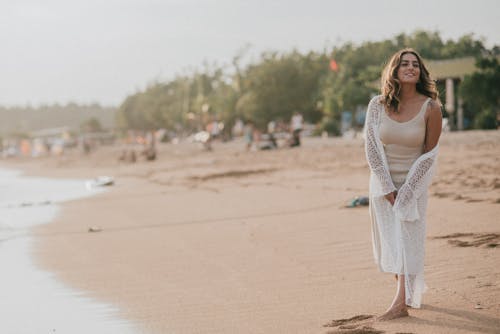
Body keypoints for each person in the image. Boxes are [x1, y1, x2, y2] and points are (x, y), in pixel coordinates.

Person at [364, 48, 442, 320]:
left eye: (416, 65)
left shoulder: (431, 108)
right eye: (404, 64)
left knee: (408, 240)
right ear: (394, 70)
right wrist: (387, 187)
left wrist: (408, 191)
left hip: (414, 184)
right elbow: (372, 148)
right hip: (383, 184)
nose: (411, 68)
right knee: (391, 243)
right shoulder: (377, 105)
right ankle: (406, 288)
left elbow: (429, 155)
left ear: (421, 72)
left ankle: (400, 304)